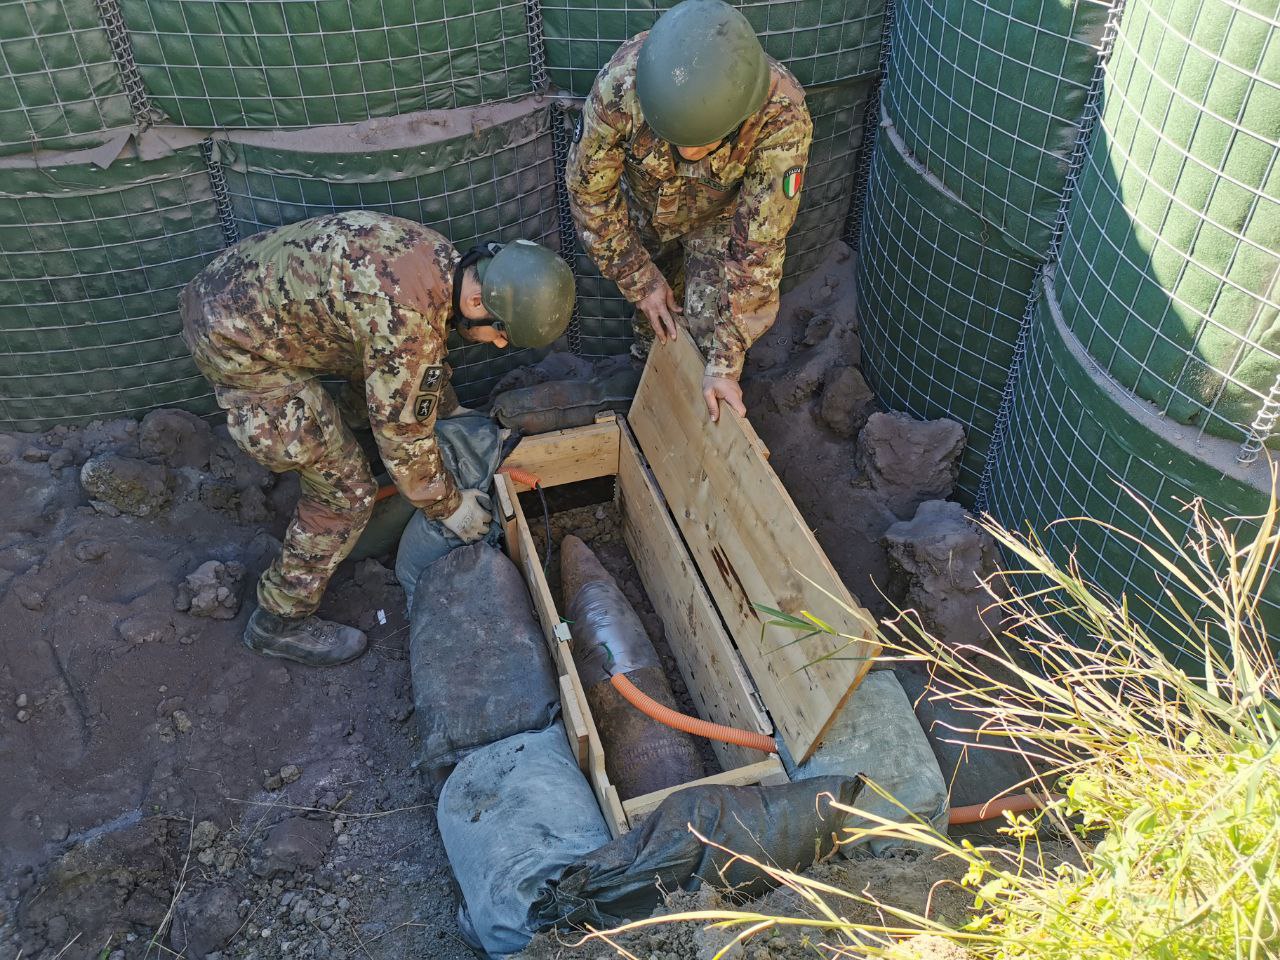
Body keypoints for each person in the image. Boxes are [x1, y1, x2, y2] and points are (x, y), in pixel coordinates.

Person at [181, 211, 574, 666]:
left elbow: (402, 360)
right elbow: (403, 437)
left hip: (230, 289)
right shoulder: (407, 322)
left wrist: (442, 406)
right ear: (476, 301)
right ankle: (279, 620)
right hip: (237, 344)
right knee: (346, 493)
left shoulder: (437, 260)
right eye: (502, 332)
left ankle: (338, 447)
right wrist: (450, 507)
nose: (500, 345)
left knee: (367, 406)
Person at [566, 0, 812, 422]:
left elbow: (759, 246)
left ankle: (691, 428)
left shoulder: (781, 117)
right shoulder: (620, 88)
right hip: (645, 212)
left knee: (702, 333)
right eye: (675, 138)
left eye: (705, 143)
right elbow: (590, 195)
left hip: (720, 222)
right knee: (655, 321)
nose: (688, 153)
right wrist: (639, 279)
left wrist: (726, 363)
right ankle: (648, 394)